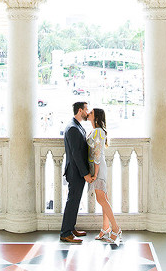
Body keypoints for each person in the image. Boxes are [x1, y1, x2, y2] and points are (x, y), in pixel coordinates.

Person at [60, 101, 94, 244]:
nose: (87, 112)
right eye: (86, 110)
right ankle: (65, 233)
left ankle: (71, 227)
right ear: (80, 110)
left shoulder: (76, 125)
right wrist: (85, 173)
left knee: (75, 201)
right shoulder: (73, 128)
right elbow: (76, 154)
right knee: (72, 201)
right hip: (75, 172)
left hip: (76, 171)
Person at [87, 108, 121, 245]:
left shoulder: (98, 131)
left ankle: (116, 228)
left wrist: (95, 173)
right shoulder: (96, 131)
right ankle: (106, 227)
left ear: (96, 117)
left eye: (91, 113)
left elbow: (97, 153)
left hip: (98, 168)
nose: (88, 114)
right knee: (103, 199)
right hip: (97, 167)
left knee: (102, 199)